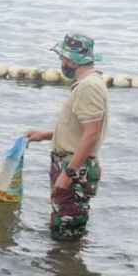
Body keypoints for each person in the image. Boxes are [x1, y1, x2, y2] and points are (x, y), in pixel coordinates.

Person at [24, 33, 110, 242]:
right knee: (64, 227)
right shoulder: (87, 83)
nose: (61, 62)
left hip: (75, 170)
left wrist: (68, 173)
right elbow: (80, 131)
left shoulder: (89, 87)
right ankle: (67, 269)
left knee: (67, 236)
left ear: (73, 59)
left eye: (62, 57)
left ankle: (68, 268)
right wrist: (44, 135)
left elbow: (91, 135)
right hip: (73, 167)